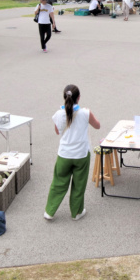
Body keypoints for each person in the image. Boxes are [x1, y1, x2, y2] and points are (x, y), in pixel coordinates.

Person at [44, 84, 100, 222]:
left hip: (64, 154)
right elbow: (98, 126)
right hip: (81, 154)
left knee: (58, 183)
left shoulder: (59, 114)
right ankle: (76, 213)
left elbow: (57, 131)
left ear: (65, 97)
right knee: (78, 185)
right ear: (79, 98)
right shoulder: (85, 112)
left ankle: (49, 211)